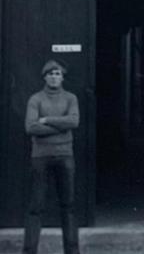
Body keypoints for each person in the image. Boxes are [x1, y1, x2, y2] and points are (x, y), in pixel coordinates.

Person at [23, 60, 80, 254]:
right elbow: (31, 127)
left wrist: (46, 120)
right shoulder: (35, 99)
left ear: (62, 77)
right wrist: (60, 126)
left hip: (65, 156)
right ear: (44, 77)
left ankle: (72, 251)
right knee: (35, 206)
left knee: (69, 206)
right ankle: (29, 251)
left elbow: (74, 121)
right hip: (40, 157)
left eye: (58, 74)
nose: (54, 77)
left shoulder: (71, 98)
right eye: (51, 74)